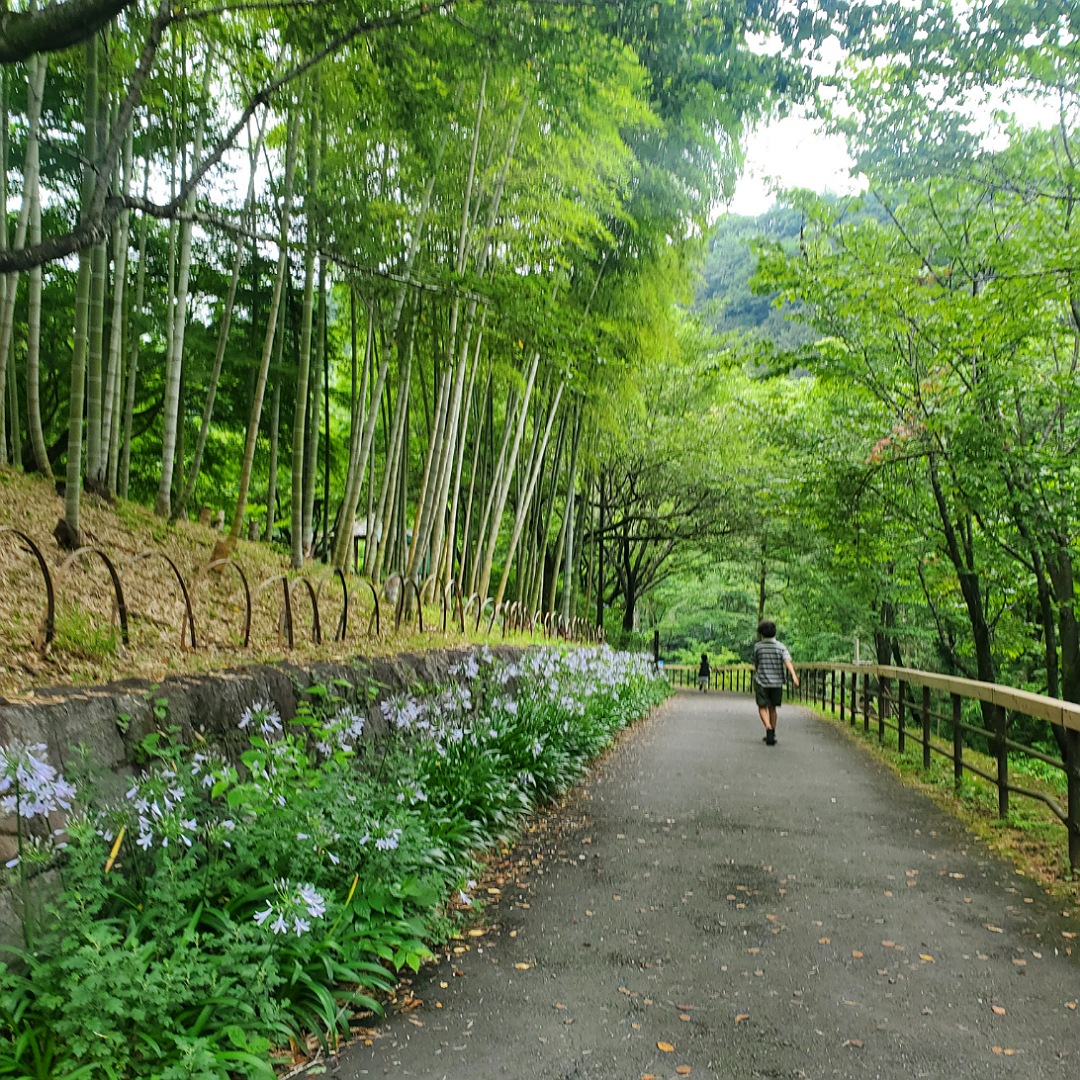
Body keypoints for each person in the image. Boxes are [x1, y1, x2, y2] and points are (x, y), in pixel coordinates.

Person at [752, 620, 799, 745]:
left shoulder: (758, 647)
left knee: (762, 707)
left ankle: (768, 727)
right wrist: (793, 675)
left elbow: (756, 664)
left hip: (761, 681)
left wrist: (757, 672)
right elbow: (787, 661)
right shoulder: (781, 647)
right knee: (772, 708)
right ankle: (772, 732)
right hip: (777, 682)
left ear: (761, 633)